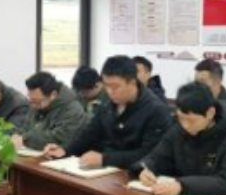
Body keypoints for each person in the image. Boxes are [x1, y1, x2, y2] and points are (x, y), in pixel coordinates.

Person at [44, 56, 173, 169]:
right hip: (107, 172)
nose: (110, 92)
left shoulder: (156, 110)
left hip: (138, 175)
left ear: (132, 82)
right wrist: (65, 150)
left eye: (115, 86)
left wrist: (105, 159)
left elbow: (150, 155)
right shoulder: (108, 105)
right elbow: (89, 135)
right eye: (106, 85)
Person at [13, 72, 88, 151]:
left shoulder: (72, 110)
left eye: (37, 101)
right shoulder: (37, 105)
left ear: (53, 95)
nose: (33, 106)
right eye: (31, 100)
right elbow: (26, 127)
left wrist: (25, 139)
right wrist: (16, 134)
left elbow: (58, 139)